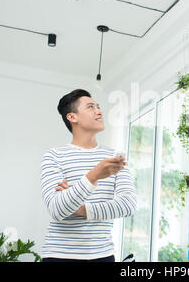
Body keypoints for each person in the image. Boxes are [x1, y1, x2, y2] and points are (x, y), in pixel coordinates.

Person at [39, 89, 136, 262]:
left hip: (103, 256)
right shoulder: (54, 156)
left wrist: (82, 208)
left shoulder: (115, 158)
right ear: (72, 117)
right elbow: (57, 209)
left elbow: (128, 205)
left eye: (98, 107)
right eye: (91, 107)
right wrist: (93, 176)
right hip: (59, 256)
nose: (99, 111)